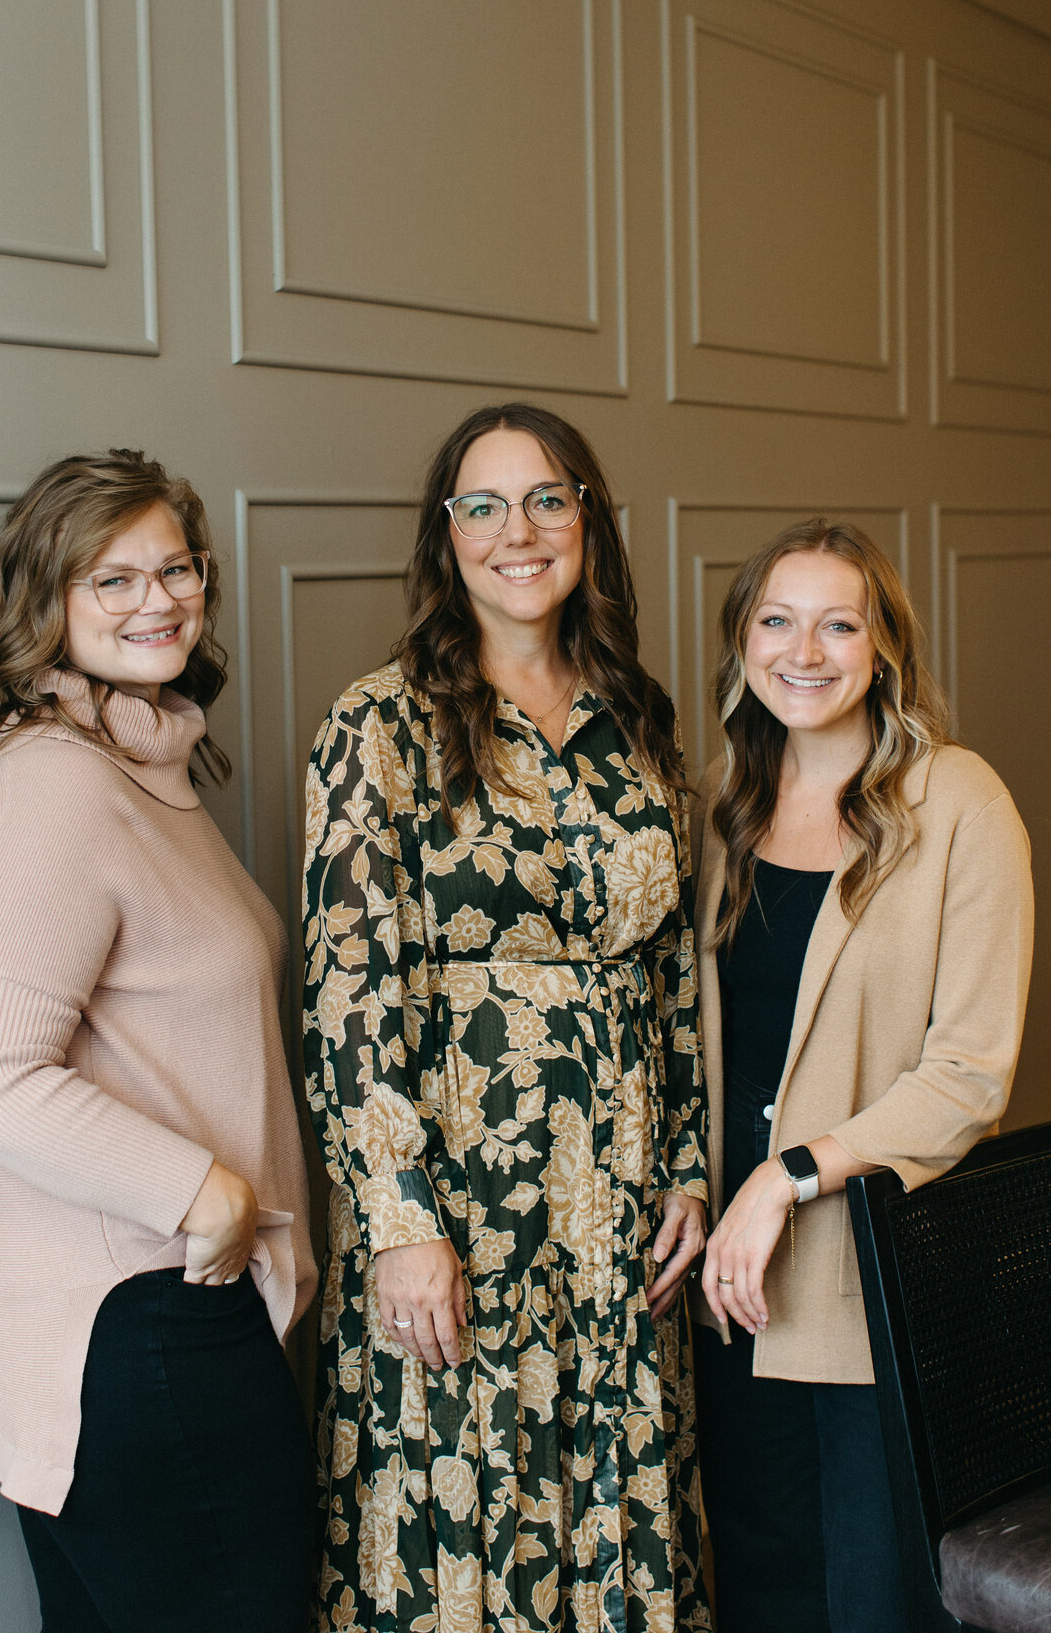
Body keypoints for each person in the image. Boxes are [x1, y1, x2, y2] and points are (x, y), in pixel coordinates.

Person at [0, 449, 318, 1633]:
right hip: (139, 1315)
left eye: (176, 568)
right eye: (113, 579)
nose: (157, 601)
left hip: (154, 1308)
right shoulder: (52, 786)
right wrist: (203, 1191)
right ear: (49, 601)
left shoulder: (134, 762)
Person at [302, 403, 711, 1633]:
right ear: (447, 535)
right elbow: (347, 992)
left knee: (610, 1505)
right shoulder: (379, 725)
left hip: (619, 1210)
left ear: (588, 520)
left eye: (547, 500)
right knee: (463, 1513)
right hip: (461, 1212)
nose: (516, 531)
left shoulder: (638, 717)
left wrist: (688, 1167)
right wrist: (399, 1224)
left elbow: (674, 972)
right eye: (482, 505)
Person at [690, 518, 1034, 1633]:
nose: (805, 651)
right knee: (761, 1592)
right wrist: (702, 1193)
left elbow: (968, 1076)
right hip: (731, 1291)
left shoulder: (960, 803)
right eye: (776, 621)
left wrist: (785, 1175)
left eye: (839, 625)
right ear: (743, 641)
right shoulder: (723, 805)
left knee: (871, 1603)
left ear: (884, 648)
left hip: (870, 1293)